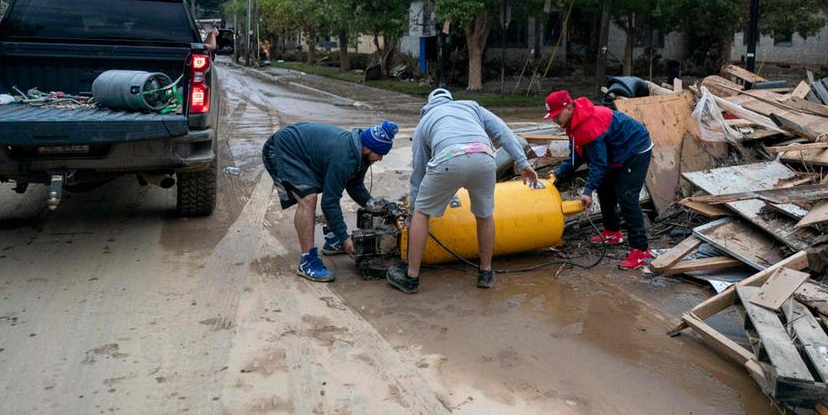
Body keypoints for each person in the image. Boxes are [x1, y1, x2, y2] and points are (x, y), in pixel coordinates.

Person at [386, 89, 539, 294]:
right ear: (451, 100)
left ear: (428, 106)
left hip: (449, 159)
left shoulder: (425, 122)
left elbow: (419, 171)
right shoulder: (472, 106)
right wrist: (523, 163)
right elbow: (503, 131)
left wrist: (414, 209)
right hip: (484, 158)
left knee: (422, 212)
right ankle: (485, 272)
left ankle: (411, 276)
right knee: (484, 215)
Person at [262, 120, 398, 282]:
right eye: (380, 153)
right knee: (308, 198)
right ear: (368, 148)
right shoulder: (344, 157)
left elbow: (355, 186)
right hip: (282, 148)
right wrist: (345, 237)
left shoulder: (362, 154)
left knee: (325, 187)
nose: (381, 158)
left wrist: (374, 205)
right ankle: (307, 261)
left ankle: (334, 241)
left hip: (302, 148)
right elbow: (329, 202)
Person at [544, 89, 654, 270]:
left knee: (627, 197)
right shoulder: (574, 123)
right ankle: (612, 232)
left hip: (635, 148)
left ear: (569, 107)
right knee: (604, 187)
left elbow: (598, 163)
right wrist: (558, 173)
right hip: (617, 152)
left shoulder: (588, 125)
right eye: (553, 117)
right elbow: (577, 156)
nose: (556, 121)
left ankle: (640, 250)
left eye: (557, 115)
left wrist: (587, 191)